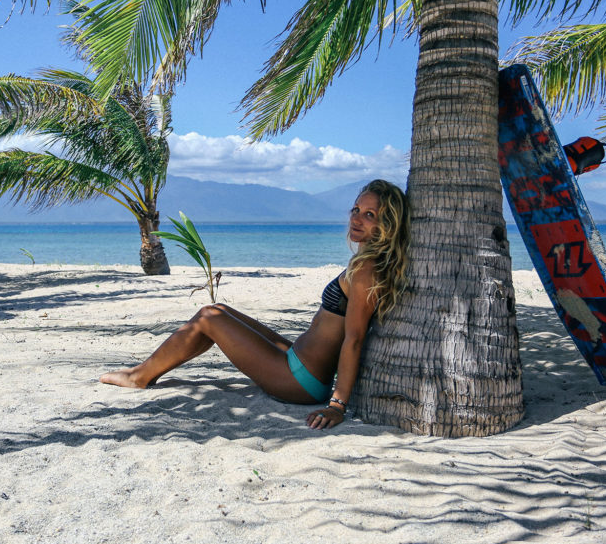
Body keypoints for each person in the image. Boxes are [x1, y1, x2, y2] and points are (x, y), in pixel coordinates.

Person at [100, 179, 410, 430]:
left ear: (388, 224)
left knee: (209, 316)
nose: (356, 218)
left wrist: (336, 406)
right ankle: (145, 371)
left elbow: (354, 340)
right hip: (296, 359)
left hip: (301, 381)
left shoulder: (366, 271)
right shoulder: (365, 261)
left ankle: (140, 377)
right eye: (356, 209)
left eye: (370, 215)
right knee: (219, 310)